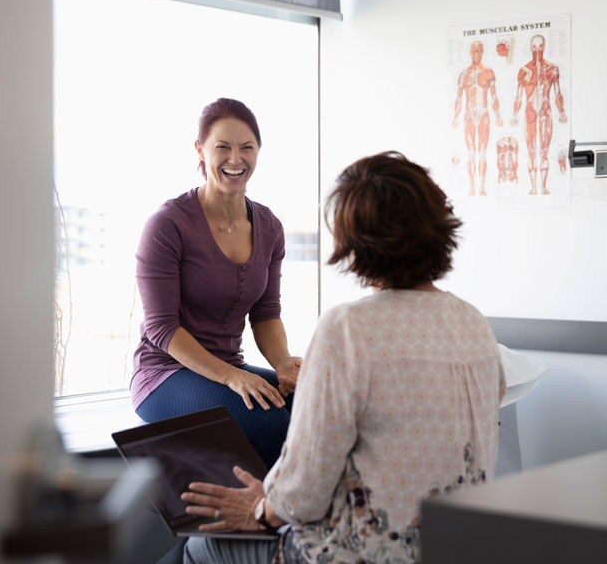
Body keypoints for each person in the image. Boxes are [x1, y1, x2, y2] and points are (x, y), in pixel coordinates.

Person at [179, 151, 506, 564]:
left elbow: (304, 497)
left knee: (199, 547)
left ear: (354, 246)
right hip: (456, 549)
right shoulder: (474, 323)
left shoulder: (349, 329)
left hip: (361, 554)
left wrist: (261, 509)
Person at [130, 98, 302, 469]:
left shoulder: (269, 226)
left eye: (246, 148)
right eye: (222, 147)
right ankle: (264, 523)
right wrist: (232, 377)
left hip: (229, 368)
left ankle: (290, 520)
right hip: (165, 375)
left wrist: (284, 364)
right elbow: (162, 330)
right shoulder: (168, 224)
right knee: (271, 421)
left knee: (314, 401)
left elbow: (267, 314)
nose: (235, 160)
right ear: (200, 151)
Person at [510, 34, 568, 195]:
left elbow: (557, 93)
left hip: (545, 109)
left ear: (544, 47)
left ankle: (543, 186)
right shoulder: (523, 71)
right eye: (534, 47)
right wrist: (514, 114)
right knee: (530, 150)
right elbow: (518, 95)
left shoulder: (552, 69)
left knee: (544, 150)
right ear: (530, 48)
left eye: (540, 46)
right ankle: (533, 187)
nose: (537, 50)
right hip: (529, 110)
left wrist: (562, 112)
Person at [452, 41, 503, 196]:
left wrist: (498, 116)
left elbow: (494, 96)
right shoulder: (463, 74)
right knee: (471, 151)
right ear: (470, 52)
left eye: (479, 51)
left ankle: (481, 187)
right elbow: (459, 99)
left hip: (484, 115)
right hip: (468, 115)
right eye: (474, 51)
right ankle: (472, 187)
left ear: (482, 52)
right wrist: (455, 117)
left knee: (482, 151)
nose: (476, 54)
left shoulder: (488, 73)